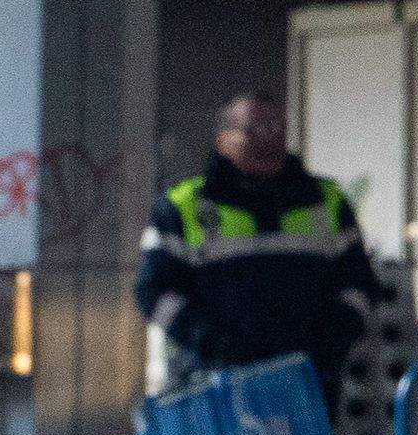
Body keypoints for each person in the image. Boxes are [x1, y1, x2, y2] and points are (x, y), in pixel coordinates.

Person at [135, 94, 378, 397]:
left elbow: (359, 284)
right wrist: (213, 343)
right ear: (223, 140)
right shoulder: (182, 206)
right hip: (214, 384)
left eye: (277, 128)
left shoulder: (326, 200)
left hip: (308, 381)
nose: (269, 139)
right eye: (254, 130)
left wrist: (328, 342)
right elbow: (153, 292)